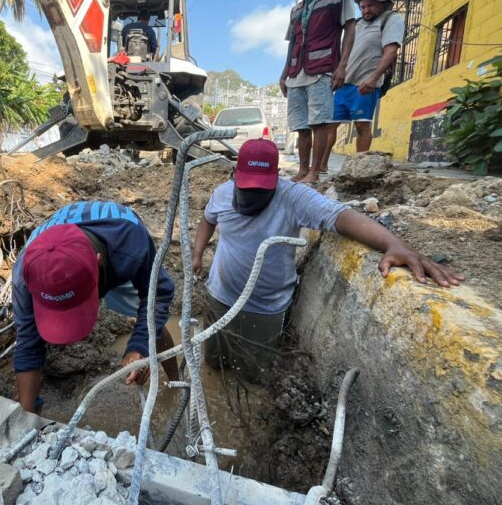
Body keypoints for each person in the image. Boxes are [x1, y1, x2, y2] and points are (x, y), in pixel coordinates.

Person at [192, 139, 463, 382]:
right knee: (215, 364)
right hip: (221, 296)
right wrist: (197, 254)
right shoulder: (222, 194)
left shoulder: (292, 197)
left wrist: (394, 244)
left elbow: (342, 217)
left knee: (255, 373)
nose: (253, 195)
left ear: (276, 179)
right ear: (235, 175)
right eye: (248, 187)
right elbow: (208, 219)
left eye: (262, 188)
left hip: (266, 307)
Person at [11, 201, 179, 413]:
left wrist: (140, 347)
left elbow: (158, 295)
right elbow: (27, 341)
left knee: (152, 325)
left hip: (115, 260)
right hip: (70, 264)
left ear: (97, 262)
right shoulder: (26, 274)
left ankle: (176, 382)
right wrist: (26, 416)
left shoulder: (131, 246)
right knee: (25, 395)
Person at [279, 0, 356, 184]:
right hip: (296, 72)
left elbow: (349, 27)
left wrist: (342, 66)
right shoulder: (297, 9)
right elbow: (292, 43)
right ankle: (303, 170)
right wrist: (283, 75)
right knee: (301, 125)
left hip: (322, 68)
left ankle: (315, 171)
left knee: (319, 123)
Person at [323, 0, 404, 160]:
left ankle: (359, 166)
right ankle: (321, 167)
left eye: (370, 6)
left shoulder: (391, 19)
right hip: (344, 84)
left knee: (362, 126)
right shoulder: (358, 24)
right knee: (329, 125)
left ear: (382, 4)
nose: (366, 10)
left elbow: (391, 51)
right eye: (363, 7)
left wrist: (374, 79)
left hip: (365, 84)